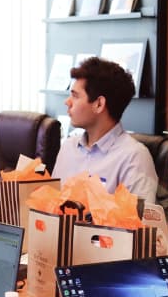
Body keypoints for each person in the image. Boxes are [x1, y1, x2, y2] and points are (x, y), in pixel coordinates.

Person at [51, 57, 158, 203]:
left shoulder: (134, 158)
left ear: (99, 104)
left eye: (75, 96)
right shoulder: (68, 147)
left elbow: (140, 223)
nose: (67, 102)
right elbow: (50, 208)